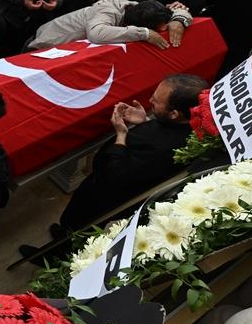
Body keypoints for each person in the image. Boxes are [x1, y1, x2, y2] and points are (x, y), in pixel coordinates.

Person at [32, 74, 209, 245]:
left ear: (174, 114)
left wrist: (121, 135)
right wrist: (145, 122)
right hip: (99, 185)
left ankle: (54, 251)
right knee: (70, 218)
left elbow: (117, 174)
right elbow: (158, 135)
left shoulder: (167, 149)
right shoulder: (185, 126)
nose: (150, 101)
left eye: (156, 101)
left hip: (104, 197)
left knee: (78, 228)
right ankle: (63, 232)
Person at [28, 0, 191, 50]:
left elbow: (179, 8)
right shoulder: (107, 11)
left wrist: (178, 20)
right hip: (42, 44)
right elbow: (96, 34)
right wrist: (145, 34)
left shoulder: (140, 9)